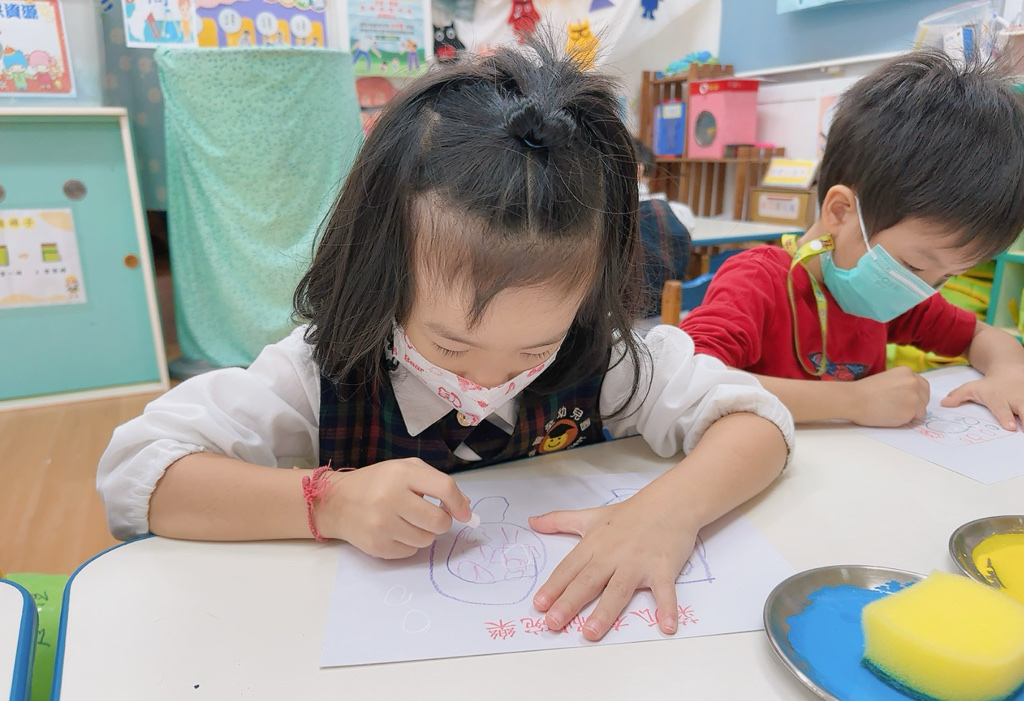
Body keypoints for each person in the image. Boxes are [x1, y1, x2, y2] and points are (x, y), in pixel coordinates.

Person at [97, 40, 793, 642]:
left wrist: (668, 511)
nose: (489, 380)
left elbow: (756, 420)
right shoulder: (323, 371)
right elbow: (138, 473)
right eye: (451, 348)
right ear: (381, 276)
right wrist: (326, 501)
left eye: (534, 349)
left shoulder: (600, 355)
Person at [681, 49, 1024, 430]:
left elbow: (980, 335)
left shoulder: (897, 295)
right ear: (841, 212)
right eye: (914, 266)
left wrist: (1009, 372)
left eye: (945, 277)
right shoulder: (757, 282)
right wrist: (855, 401)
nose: (921, 290)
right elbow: (687, 380)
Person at [635, 138, 694, 315]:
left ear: (638, 170)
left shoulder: (616, 215)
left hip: (630, 320)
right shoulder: (680, 212)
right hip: (675, 314)